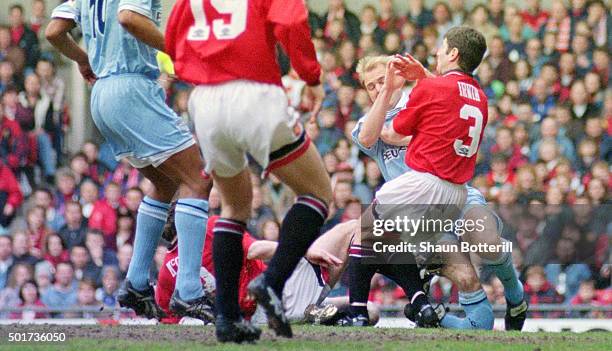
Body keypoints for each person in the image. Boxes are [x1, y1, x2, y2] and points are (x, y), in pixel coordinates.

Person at [166, 0, 333, 342]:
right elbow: (292, 22)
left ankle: (227, 318)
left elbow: (172, 38)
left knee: (234, 207)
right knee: (317, 193)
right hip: (254, 92)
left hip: (206, 101)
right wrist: (310, 76)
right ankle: (271, 282)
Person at [46, 0, 212, 322]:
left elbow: (54, 31)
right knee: (198, 180)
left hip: (103, 96)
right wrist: (178, 51)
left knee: (165, 182)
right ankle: (189, 291)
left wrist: (84, 59)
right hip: (132, 88)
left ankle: (136, 284)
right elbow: (129, 17)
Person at [156, 214, 359, 325]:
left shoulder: (166, 270)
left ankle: (318, 312)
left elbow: (166, 319)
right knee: (353, 228)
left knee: (368, 310)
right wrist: (303, 251)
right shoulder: (210, 227)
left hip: (257, 313)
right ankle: (317, 311)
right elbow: (254, 250)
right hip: (279, 297)